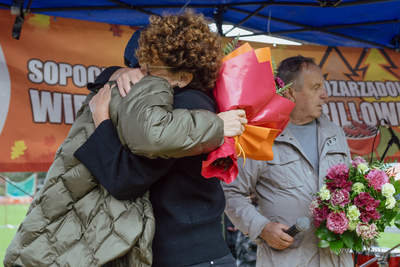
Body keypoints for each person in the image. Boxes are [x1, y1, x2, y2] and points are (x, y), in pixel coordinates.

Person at [4, 10, 246, 267]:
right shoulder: (172, 98)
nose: (141, 75)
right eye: (140, 65)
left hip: (187, 255)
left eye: (150, 68)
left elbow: (124, 179)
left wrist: (102, 121)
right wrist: (115, 73)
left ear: (184, 76)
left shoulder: (186, 106)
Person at [222, 56, 353, 266]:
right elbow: (230, 192)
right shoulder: (262, 136)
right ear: (290, 92)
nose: (325, 95)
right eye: (315, 87)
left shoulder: (336, 134)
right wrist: (262, 228)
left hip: (336, 260)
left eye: (323, 87)